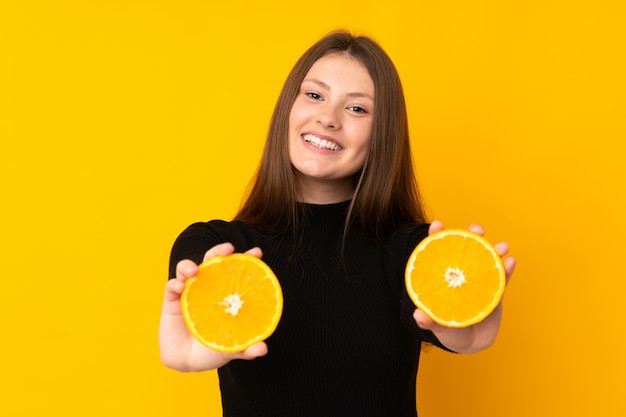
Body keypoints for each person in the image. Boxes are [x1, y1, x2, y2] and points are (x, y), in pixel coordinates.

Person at [159, 30, 516, 417]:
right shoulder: (216, 246)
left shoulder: (409, 251)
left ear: (382, 135)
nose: (327, 118)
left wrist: (465, 332)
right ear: (288, 109)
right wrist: (191, 352)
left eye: (357, 109)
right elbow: (199, 316)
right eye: (314, 95)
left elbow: (449, 324)